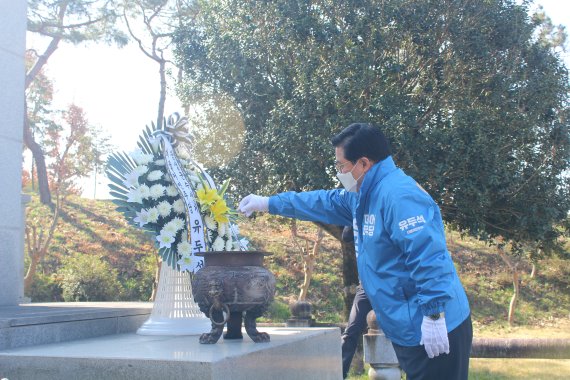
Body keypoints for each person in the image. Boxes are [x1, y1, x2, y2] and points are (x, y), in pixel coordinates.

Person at [238, 123, 472, 380]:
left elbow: (428, 256)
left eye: (342, 165)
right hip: (409, 324)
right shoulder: (363, 195)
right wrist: (268, 203)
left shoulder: (398, 196)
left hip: (435, 325)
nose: (340, 172)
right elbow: (320, 201)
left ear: (363, 163)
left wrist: (435, 313)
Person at [340, 226, 372, 379]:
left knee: (401, 331)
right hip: (365, 287)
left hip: (390, 286)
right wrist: (353, 218)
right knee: (350, 333)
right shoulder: (358, 214)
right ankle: (339, 374)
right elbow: (346, 236)